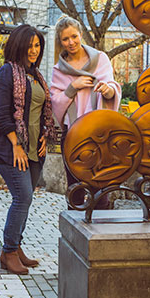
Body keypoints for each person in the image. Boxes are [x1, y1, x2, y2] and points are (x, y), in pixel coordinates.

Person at [0, 24, 56, 275]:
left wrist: (45, 136)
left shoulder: (36, 75)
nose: (34, 50)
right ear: (19, 44)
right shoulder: (8, 72)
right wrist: (16, 145)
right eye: (30, 45)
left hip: (35, 147)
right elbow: (3, 115)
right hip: (10, 147)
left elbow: (41, 112)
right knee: (22, 196)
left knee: (27, 199)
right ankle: (9, 251)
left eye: (38, 45)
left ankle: (16, 247)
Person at [50, 17, 121, 207]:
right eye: (65, 39)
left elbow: (111, 86)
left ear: (81, 34)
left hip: (98, 132)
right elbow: (55, 103)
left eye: (74, 36)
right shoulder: (59, 69)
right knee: (75, 186)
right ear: (60, 41)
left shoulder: (100, 59)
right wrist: (72, 87)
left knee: (101, 183)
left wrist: (108, 90)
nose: (71, 42)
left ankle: (101, 233)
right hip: (72, 134)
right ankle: (73, 232)